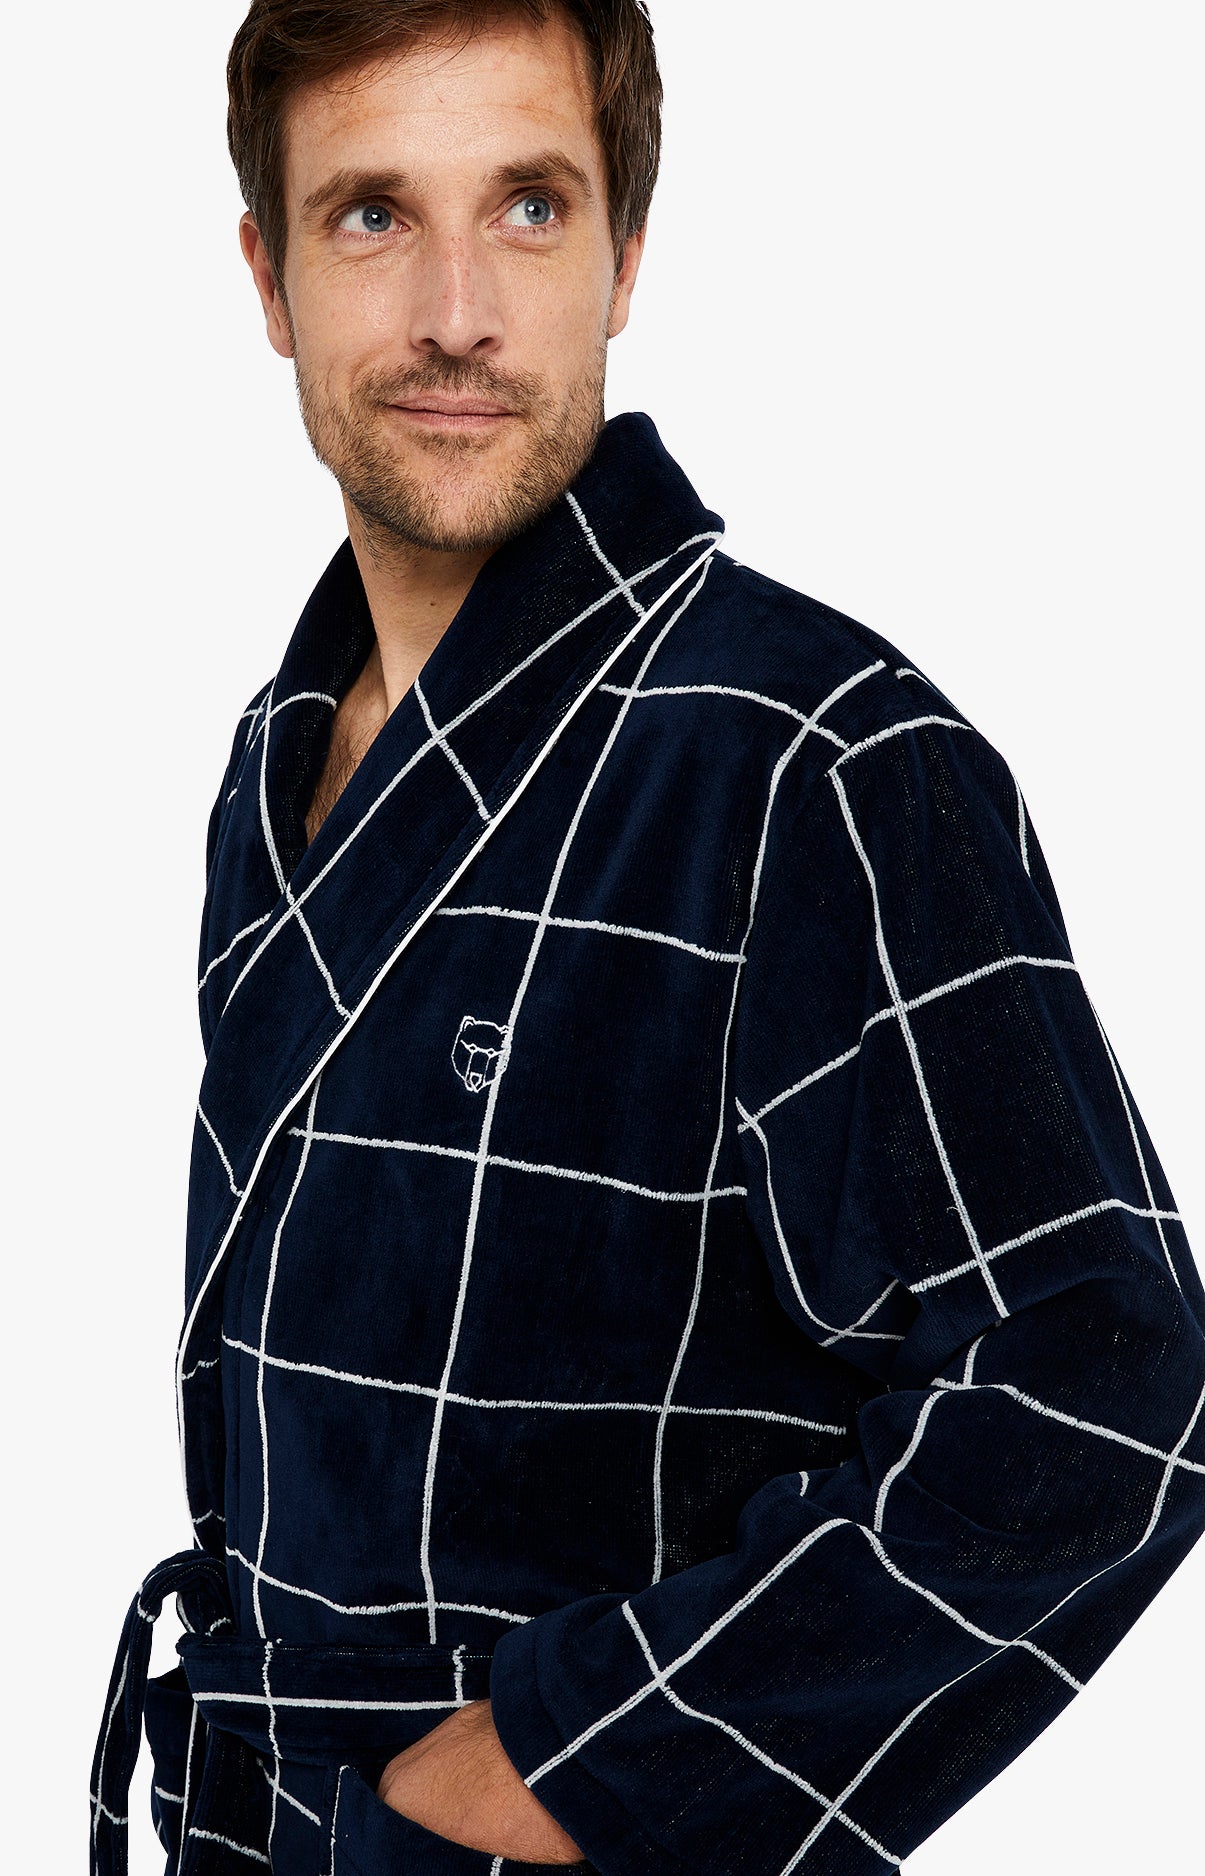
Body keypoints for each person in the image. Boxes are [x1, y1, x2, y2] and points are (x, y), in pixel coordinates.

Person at [90, 3, 1205, 1873]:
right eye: (373, 216)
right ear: (269, 279)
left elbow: (1101, 1384)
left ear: (624, 259)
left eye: (528, 207)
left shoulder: (813, 755)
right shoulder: (282, 754)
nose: (456, 311)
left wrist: (560, 1769)